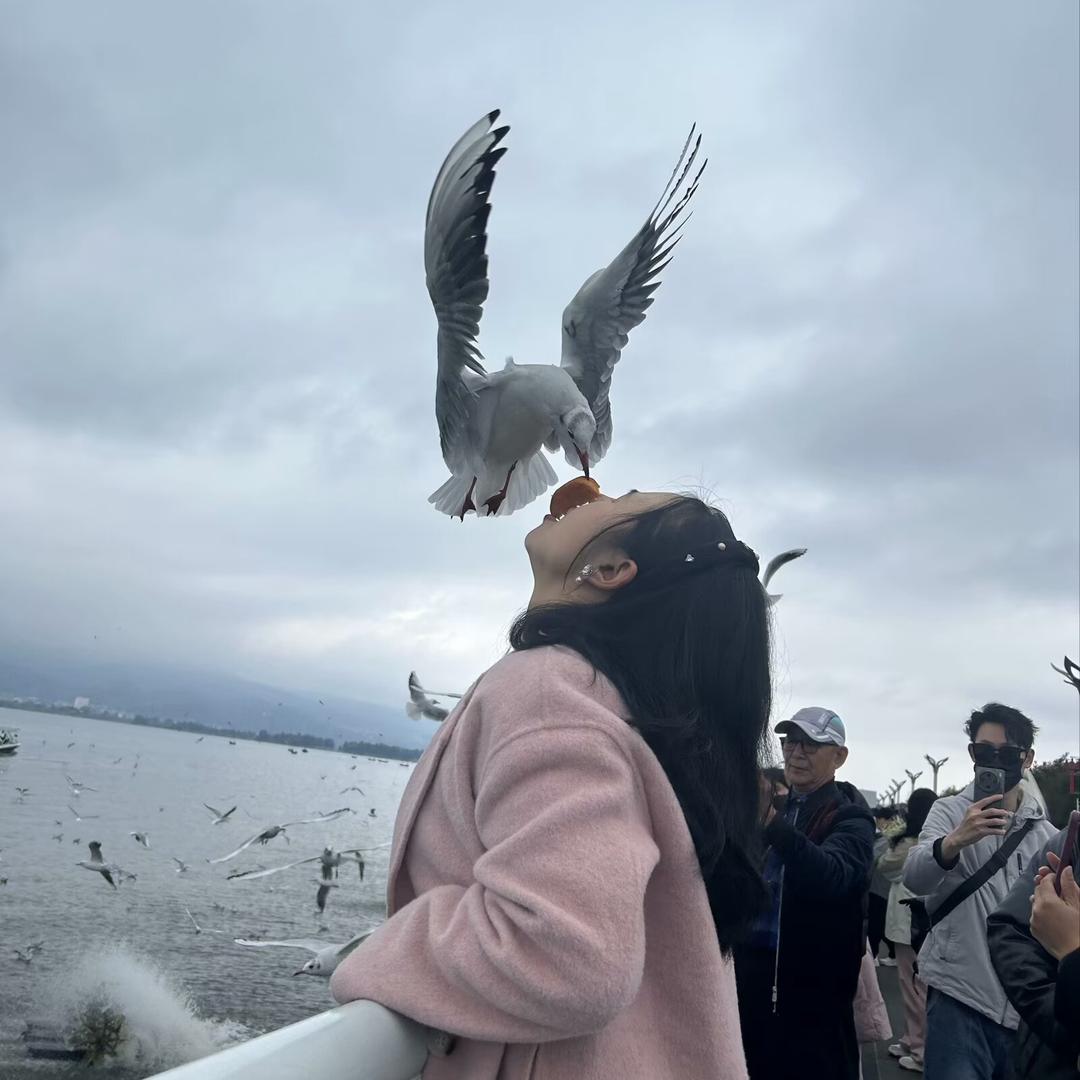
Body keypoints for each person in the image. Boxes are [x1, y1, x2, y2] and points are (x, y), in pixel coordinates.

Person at [330, 488, 772, 1079]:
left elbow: (565, 959)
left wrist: (382, 951)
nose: (595, 491)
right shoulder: (635, 718)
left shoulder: (549, 692)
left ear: (612, 572)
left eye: (627, 498)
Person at [902, 704, 1056, 1080]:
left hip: (1023, 1011)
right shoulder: (949, 811)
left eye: (1007, 754)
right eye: (984, 751)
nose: (994, 761)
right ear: (972, 754)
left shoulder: (1046, 836)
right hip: (959, 998)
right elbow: (915, 877)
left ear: (1028, 759)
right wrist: (954, 841)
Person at [734, 706, 875, 1080]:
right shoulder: (776, 807)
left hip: (814, 998)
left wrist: (772, 826)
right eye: (791, 741)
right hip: (751, 980)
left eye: (811, 744)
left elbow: (833, 876)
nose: (797, 752)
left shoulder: (851, 818)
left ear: (839, 756)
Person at [986, 825, 1080, 1078]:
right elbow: (1010, 929)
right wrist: (1056, 1016)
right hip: (1045, 1058)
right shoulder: (1072, 839)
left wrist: (1071, 950)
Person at [877, 787, 938, 1074]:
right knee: (920, 983)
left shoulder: (909, 842)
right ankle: (911, 1038)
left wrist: (894, 835)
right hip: (926, 920)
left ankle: (920, 1049)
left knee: (912, 984)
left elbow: (883, 864)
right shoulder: (937, 839)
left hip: (906, 921)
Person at [870, 806, 899, 966]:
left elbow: (873, 857)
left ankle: (873, 954)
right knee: (881, 922)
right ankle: (893, 954)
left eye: (879, 820)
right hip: (882, 886)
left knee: (876, 921)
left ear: (887, 820)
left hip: (881, 886)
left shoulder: (890, 836)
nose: (877, 823)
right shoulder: (890, 834)